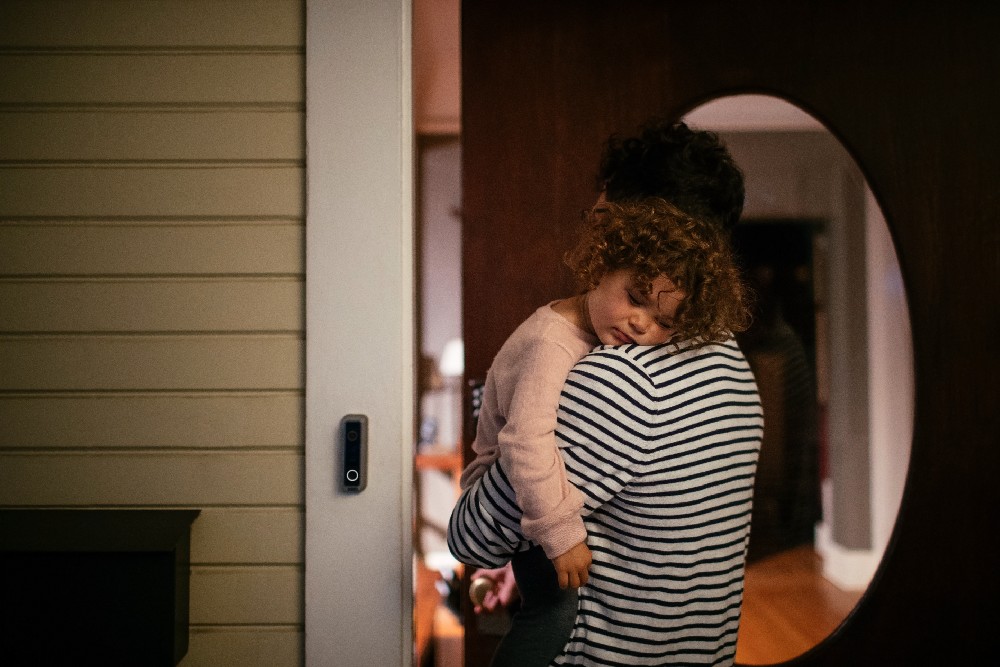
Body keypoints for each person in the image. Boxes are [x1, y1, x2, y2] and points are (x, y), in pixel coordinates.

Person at [448, 119, 764, 666]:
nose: (591, 229)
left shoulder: (622, 381)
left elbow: (472, 538)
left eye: (600, 216)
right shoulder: (734, 369)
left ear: (632, 234)